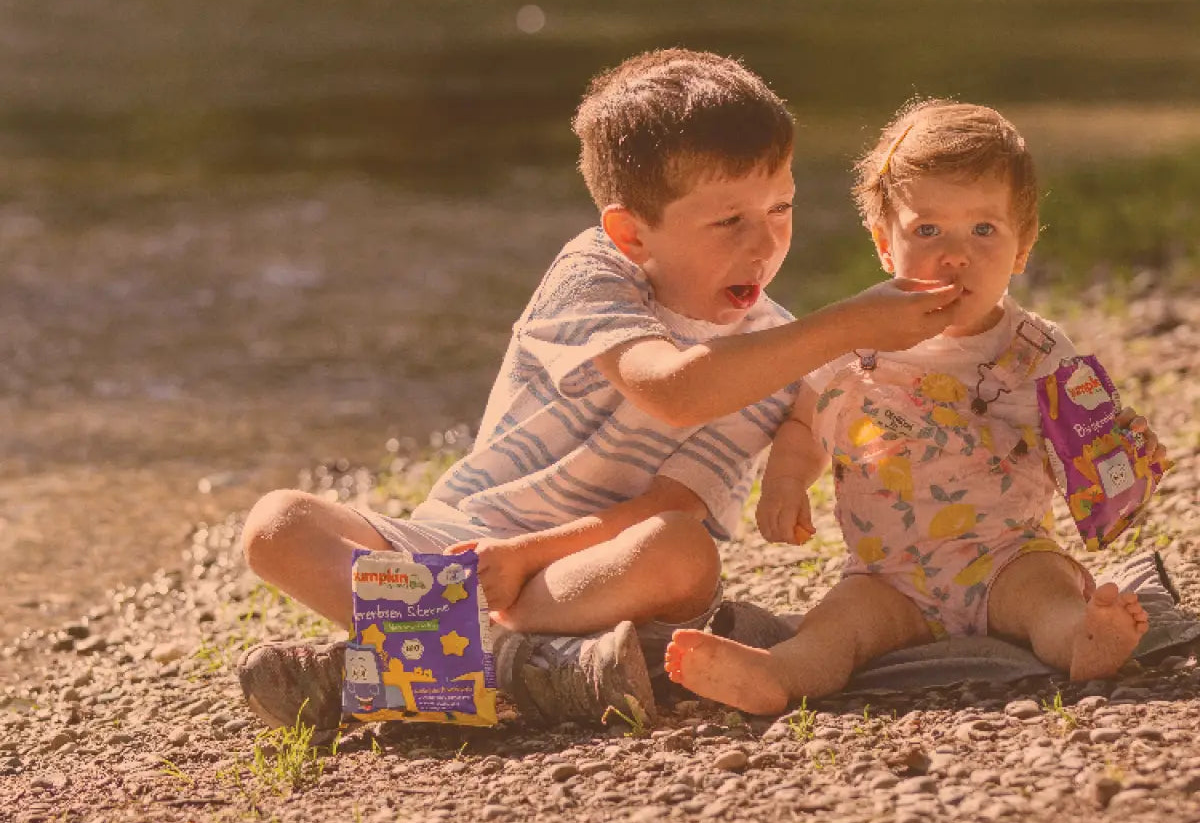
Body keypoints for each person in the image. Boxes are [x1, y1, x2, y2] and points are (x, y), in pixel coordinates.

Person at [236, 51, 963, 731]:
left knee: (684, 553)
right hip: (460, 552)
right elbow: (674, 391)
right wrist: (844, 325)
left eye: (781, 209)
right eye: (729, 220)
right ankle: (521, 671)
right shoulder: (593, 274)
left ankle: (417, 666)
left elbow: (669, 507)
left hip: (596, 574)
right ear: (631, 233)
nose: (764, 243)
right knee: (277, 525)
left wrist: (532, 555)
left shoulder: (775, 352)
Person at [665, 98, 1170, 715]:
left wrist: (1126, 463)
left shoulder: (1039, 351)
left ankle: (1087, 639)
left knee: (1050, 600)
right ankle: (781, 674)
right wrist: (787, 483)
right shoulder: (856, 337)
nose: (955, 254)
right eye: (928, 230)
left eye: (983, 229)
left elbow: (1090, 447)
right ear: (884, 244)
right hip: (888, 575)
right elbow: (804, 420)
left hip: (1008, 555)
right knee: (836, 628)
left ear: (1022, 248)